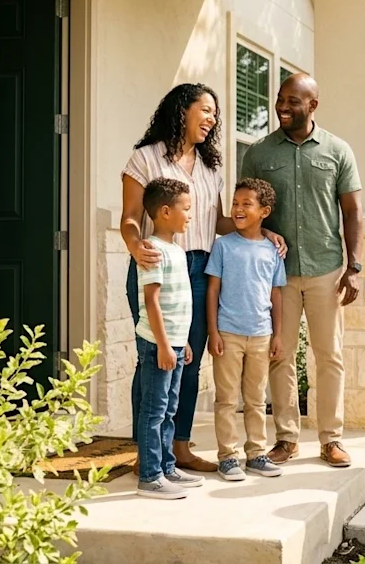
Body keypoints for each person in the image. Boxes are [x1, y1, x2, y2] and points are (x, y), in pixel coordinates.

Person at [121, 83, 286, 474]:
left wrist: (264, 233)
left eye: (215, 113)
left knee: (188, 363)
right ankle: (145, 451)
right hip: (157, 265)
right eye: (206, 110)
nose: (213, 119)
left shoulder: (211, 166)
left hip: (201, 267)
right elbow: (129, 217)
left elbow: (217, 223)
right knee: (155, 358)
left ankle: (178, 447)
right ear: (182, 110)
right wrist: (133, 245)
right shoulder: (144, 159)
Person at [239, 72, 363, 469]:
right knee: (280, 354)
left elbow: (352, 211)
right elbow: (247, 209)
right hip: (277, 274)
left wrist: (354, 266)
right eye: (280, 99)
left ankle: (331, 439)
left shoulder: (338, 150)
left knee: (329, 355)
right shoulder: (258, 153)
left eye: (293, 101)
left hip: (326, 266)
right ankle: (287, 438)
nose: (283, 107)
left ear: (313, 105)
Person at [206, 178, 287, 481]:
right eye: (235, 204)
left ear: (264, 211)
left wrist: (277, 334)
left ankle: (256, 454)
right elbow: (213, 290)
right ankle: (227, 456)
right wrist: (213, 332)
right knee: (226, 399)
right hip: (228, 333)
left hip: (261, 334)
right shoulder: (223, 246)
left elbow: (276, 294)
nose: (238, 209)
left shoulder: (272, 251)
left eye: (246, 204)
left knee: (255, 399)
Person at [133, 178, 204, 499]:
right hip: (157, 344)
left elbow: (179, 304)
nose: (190, 215)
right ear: (164, 212)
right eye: (186, 209)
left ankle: (165, 465)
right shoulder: (152, 251)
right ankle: (149, 476)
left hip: (174, 342)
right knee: (154, 409)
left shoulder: (176, 249)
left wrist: (183, 342)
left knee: (169, 407)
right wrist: (163, 344)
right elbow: (152, 301)